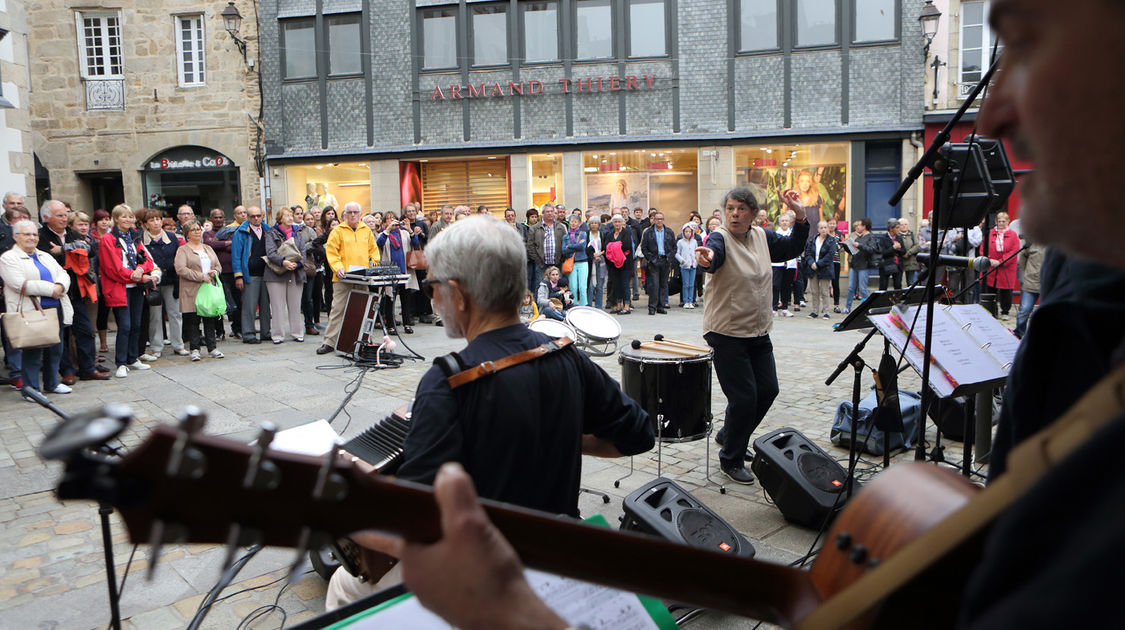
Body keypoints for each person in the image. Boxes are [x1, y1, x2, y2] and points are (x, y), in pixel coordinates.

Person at [330, 215, 652, 608]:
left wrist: (340, 512)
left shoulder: (448, 380)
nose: (432, 299)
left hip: (481, 574)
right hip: (554, 551)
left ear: (459, 294)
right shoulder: (567, 356)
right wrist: (555, 434)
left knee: (343, 586)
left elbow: (414, 526)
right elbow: (638, 434)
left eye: (432, 287)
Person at [695, 187, 807, 484]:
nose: (734, 214)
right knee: (744, 398)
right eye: (730, 208)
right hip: (726, 332)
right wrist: (706, 259)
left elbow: (793, 247)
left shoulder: (762, 236)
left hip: (757, 330)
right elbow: (713, 255)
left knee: (768, 390)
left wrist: (800, 214)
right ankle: (731, 458)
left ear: (753, 213)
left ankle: (730, 434)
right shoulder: (719, 237)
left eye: (741, 209)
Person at [1, 220, 73, 399]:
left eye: (34, 234)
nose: (32, 238)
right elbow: (19, 284)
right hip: (30, 311)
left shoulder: (44, 255)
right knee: (32, 352)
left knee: (56, 349)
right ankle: (31, 390)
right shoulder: (8, 258)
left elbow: (63, 273)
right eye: (27, 234)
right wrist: (52, 289)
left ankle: (52, 383)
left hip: (55, 308)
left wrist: (61, 286)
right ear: (15, 236)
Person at [38, 200, 105, 382]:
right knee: (61, 334)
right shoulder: (41, 236)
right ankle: (66, 371)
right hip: (53, 293)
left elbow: (90, 249)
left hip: (75, 291)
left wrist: (63, 249)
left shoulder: (72, 233)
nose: (64, 218)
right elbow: (45, 257)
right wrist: (73, 251)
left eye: (65, 214)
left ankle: (88, 368)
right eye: (59, 215)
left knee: (84, 330)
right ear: (46, 217)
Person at [99, 204, 158, 378]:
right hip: (119, 287)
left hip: (136, 287)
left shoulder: (134, 236)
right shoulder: (108, 239)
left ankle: (133, 358)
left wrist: (140, 270)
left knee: (136, 324)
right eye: (124, 216)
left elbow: (147, 259)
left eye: (130, 217)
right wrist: (138, 276)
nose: (128, 220)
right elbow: (112, 269)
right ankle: (121, 362)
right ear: (116, 219)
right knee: (124, 326)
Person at [317, 202, 377, 355]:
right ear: (344, 215)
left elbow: (373, 251)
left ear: (360, 214)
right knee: (338, 309)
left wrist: (372, 265)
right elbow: (331, 252)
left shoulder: (366, 230)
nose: (352, 215)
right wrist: (338, 268)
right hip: (343, 278)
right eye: (349, 212)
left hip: (362, 277)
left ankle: (357, 340)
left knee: (361, 309)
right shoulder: (337, 231)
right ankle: (329, 342)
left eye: (355, 212)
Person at [139, 209, 188, 358]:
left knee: (175, 313)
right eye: (151, 220)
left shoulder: (172, 238)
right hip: (153, 281)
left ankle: (178, 344)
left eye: (158, 219)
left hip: (172, 279)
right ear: (146, 224)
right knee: (155, 315)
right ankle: (156, 346)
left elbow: (178, 257)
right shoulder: (141, 239)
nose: (155, 222)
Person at [174, 220, 224, 361]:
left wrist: (215, 272)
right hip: (192, 289)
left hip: (208, 289)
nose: (197, 232)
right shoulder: (183, 250)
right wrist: (200, 276)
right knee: (193, 320)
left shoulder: (208, 248)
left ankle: (212, 347)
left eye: (198, 229)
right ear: (187, 234)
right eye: (193, 230)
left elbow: (218, 265)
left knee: (209, 318)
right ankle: (194, 349)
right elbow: (181, 269)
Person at [264, 206, 307, 344]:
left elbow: (303, 252)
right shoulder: (271, 233)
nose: (290, 218)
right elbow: (270, 253)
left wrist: (298, 264)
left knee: (295, 305)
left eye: (291, 215)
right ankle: (277, 335)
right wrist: (284, 262)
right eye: (287, 215)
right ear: (280, 218)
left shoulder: (298, 233)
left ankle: (297, 333)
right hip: (276, 274)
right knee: (277, 306)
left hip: (295, 273)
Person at [231, 206, 272, 344]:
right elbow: (236, 256)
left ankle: (266, 332)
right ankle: (248, 334)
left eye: (258, 215)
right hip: (250, 274)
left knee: (266, 306)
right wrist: (239, 276)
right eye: (253, 216)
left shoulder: (268, 230)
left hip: (267, 273)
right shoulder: (241, 232)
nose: (256, 218)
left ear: (262, 216)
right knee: (249, 305)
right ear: (248, 217)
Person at [376, 213, 420, 335]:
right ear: (384, 222)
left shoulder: (404, 233)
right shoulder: (383, 234)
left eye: (393, 218)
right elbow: (379, 244)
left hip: (404, 270)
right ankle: (390, 325)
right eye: (388, 219)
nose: (391, 220)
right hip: (390, 271)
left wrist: (410, 229)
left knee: (406, 299)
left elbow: (415, 242)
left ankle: (407, 324)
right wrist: (388, 230)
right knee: (390, 298)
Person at [204, 208, 239, 340]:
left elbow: (234, 246)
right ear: (211, 219)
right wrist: (225, 243)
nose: (218, 220)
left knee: (236, 301)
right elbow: (208, 245)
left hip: (232, 271)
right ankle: (219, 331)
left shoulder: (231, 232)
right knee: (217, 302)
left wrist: (218, 243)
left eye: (220, 217)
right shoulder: (207, 233)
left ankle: (237, 329)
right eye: (215, 217)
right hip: (215, 273)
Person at [983, 211, 1021, 320]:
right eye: (999, 221)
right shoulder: (990, 233)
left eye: (1003, 221)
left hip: (1007, 267)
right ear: (996, 222)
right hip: (991, 265)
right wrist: (990, 260)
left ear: (1008, 222)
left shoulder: (1013, 235)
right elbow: (983, 248)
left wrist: (1001, 261)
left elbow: (1014, 251)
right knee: (990, 288)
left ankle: (1005, 311)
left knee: (1006, 290)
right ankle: (991, 311)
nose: (1001, 223)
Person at [639, 211, 675, 315]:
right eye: (657, 219)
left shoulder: (669, 232)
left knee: (663, 285)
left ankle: (661, 306)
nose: (659, 221)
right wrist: (650, 258)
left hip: (665, 260)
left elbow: (674, 247)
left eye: (661, 219)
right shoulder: (648, 232)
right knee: (654, 285)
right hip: (654, 260)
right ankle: (652, 307)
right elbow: (644, 247)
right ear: (654, 220)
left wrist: (670, 257)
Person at [843, 218, 879, 313]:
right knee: (851, 287)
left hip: (864, 266)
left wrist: (859, 245)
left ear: (864, 226)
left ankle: (869, 308)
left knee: (863, 288)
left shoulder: (871, 237)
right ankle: (847, 307)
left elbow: (871, 250)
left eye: (859, 225)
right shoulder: (859, 237)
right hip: (854, 265)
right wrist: (846, 245)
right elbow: (853, 251)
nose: (857, 227)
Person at [527, 205, 566, 292]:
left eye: (551, 211)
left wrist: (561, 258)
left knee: (557, 287)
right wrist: (538, 260)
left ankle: (557, 304)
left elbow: (565, 243)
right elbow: (530, 246)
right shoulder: (534, 228)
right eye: (547, 211)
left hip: (557, 263)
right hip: (541, 264)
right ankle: (540, 305)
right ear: (543, 213)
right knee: (540, 286)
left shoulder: (561, 227)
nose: (549, 213)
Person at [804, 221, 837, 319]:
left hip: (825, 268)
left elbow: (830, 255)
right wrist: (811, 263)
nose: (823, 229)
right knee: (814, 291)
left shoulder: (831, 241)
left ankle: (826, 311)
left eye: (825, 227)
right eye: (821, 228)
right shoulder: (813, 239)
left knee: (824, 291)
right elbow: (808, 252)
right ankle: (814, 311)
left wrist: (818, 264)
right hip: (813, 268)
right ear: (818, 229)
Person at [1014, 238, 1046, 338]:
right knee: (1024, 310)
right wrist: (1028, 272)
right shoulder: (1031, 242)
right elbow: (1022, 259)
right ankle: (1019, 333)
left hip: (1048, 285)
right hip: (1031, 282)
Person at [604, 214, 634, 315]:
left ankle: (627, 306)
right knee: (616, 284)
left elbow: (626, 246)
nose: (617, 223)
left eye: (619, 221)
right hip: (613, 264)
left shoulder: (626, 233)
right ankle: (618, 305)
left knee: (625, 284)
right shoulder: (609, 234)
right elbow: (606, 247)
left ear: (622, 223)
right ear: (612, 223)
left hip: (625, 264)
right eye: (615, 222)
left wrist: (613, 246)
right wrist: (616, 246)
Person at [770, 213, 797, 317]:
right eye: (783, 221)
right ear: (779, 223)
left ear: (790, 222)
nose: (785, 222)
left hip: (790, 264)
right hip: (777, 264)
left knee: (786, 286)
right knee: (775, 285)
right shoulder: (775, 234)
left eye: (786, 221)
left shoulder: (793, 234)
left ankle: (785, 307)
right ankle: (774, 307)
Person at [561, 215, 589, 306]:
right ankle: (574, 305)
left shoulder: (583, 234)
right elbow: (563, 250)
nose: (573, 223)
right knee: (573, 286)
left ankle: (584, 306)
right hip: (571, 263)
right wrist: (576, 246)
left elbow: (582, 247)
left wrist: (569, 246)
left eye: (575, 222)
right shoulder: (565, 236)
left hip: (582, 261)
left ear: (579, 223)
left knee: (582, 287)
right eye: (571, 221)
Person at [675, 223, 698, 308]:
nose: (688, 233)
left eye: (689, 231)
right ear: (683, 232)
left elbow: (697, 252)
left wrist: (696, 261)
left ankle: (691, 301)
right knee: (686, 284)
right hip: (684, 266)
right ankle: (685, 301)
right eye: (686, 231)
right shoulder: (680, 242)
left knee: (691, 284)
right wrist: (682, 261)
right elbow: (677, 254)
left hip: (693, 265)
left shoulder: (694, 242)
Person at [876, 218, 903, 291]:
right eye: (897, 228)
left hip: (898, 265)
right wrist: (893, 248)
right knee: (883, 286)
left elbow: (903, 252)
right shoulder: (883, 239)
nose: (899, 229)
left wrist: (900, 249)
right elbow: (882, 253)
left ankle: (897, 301)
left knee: (898, 285)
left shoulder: (899, 238)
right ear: (891, 229)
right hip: (886, 265)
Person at [586, 216, 607, 309]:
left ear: (599, 225)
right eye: (592, 223)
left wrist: (600, 254)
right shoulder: (586, 235)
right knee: (590, 286)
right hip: (590, 262)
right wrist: (593, 255)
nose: (594, 225)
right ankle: (589, 305)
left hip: (601, 262)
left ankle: (599, 306)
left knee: (599, 285)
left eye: (596, 223)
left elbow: (606, 247)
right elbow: (585, 249)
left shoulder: (602, 234)